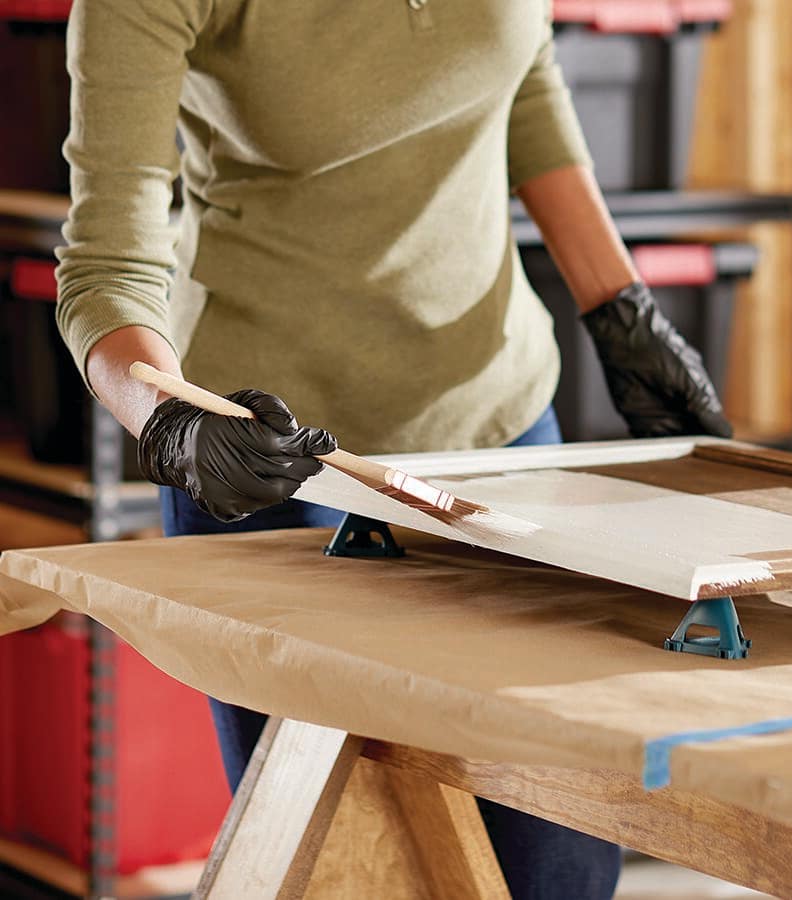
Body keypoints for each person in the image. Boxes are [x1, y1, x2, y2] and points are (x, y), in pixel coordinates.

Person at [54, 2, 731, 897]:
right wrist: (166, 419)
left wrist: (621, 309)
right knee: (341, 868)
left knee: (555, 864)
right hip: (274, 465)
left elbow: (519, 72)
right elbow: (108, 267)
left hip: (507, 438)